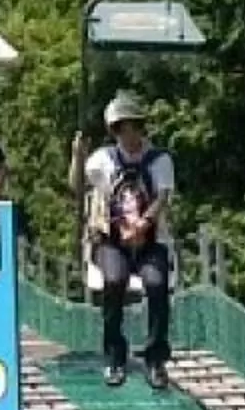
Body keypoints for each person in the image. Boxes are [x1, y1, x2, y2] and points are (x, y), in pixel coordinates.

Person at [69, 93, 175, 389]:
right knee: (114, 281)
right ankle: (115, 354)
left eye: (132, 127)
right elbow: (76, 186)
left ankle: (156, 357)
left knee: (156, 284)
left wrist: (144, 224)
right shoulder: (103, 160)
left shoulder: (160, 160)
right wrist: (77, 156)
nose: (128, 135)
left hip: (149, 241)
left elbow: (162, 197)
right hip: (112, 241)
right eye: (121, 129)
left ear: (140, 128)